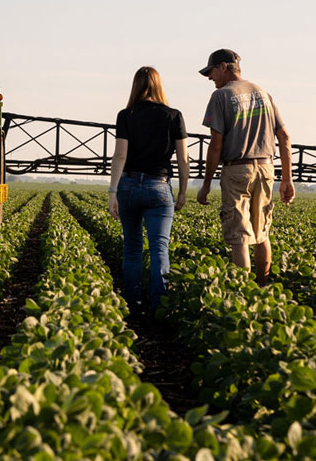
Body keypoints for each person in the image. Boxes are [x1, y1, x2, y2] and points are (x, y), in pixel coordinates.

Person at [195, 49, 295, 285]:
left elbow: (216, 146)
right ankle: (262, 286)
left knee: (239, 237)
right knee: (262, 234)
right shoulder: (264, 93)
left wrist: (206, 183)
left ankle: (245, 295)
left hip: (237, 169)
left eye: (211, 72)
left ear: (223, 67)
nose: (210, 78)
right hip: (266, 168)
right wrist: (287, 178)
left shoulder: (220, 97)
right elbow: (285, 136)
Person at [108, 67, 189, 317]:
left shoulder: (126, 115)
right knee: (159, 249)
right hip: (159, 187)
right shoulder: (174, 116)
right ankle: (158, 305)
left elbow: (120, 155)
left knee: (132, 248)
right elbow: (183, 159)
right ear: (158, 86)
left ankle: (133, 303)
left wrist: (112, 192)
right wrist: (183, 192)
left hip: (129, 186)